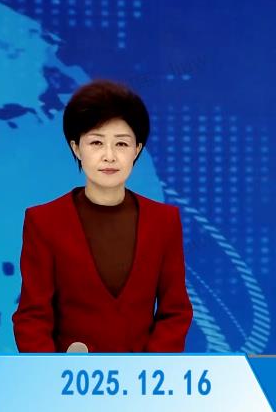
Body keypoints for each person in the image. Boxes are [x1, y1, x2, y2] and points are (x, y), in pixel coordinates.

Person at [12, 80, 193, 352]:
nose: (109, 156)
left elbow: (175, 311)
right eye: (96, 142)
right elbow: (32, 318)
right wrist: (52, 372)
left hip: (144, 375)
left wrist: (149, 368)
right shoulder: (44, 221)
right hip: (67, 375)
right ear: (76, 148)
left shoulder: (164, 221)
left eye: (121, 144)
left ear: (137, 149)